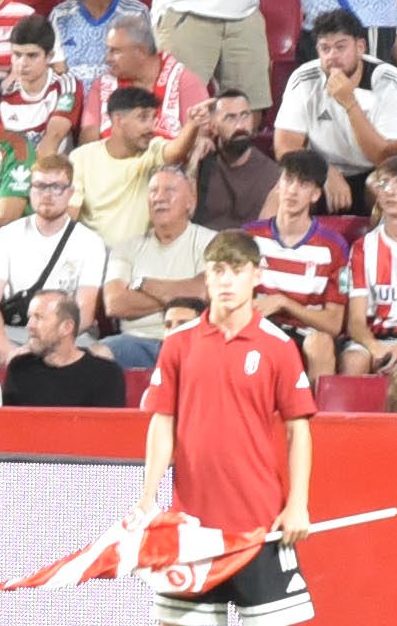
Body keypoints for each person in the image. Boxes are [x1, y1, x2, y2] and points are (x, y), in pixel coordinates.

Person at [126, 244, 315, 610]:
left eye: (237, 270)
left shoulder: (279, 346)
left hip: (259, 523)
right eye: (217, 271)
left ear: (256, 276)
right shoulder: (178, 343)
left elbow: (298, 431)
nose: (226, 281)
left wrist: (298, 504)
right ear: (206, 277)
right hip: (190, 527)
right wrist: (148, 496)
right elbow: (162, 421)